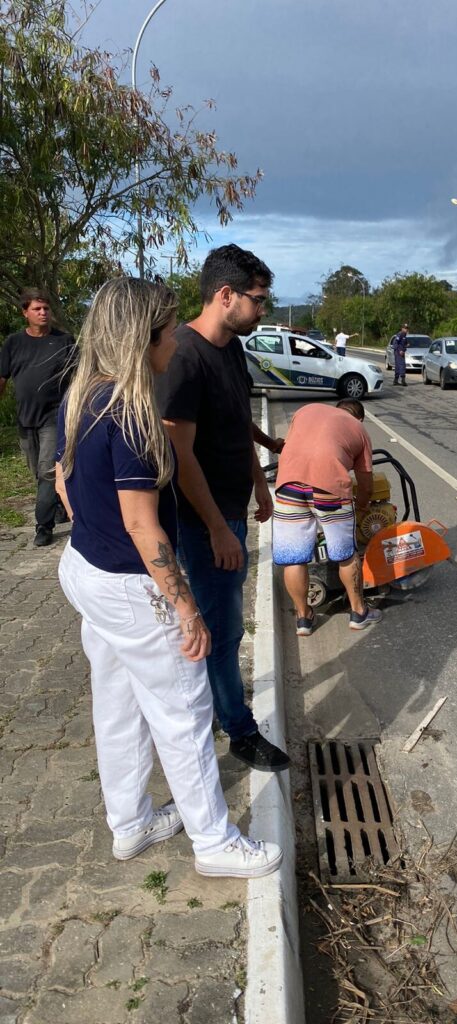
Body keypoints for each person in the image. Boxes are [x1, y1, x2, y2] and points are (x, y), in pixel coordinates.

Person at [55, 277, 282, 878]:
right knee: (183, 709)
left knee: (118, 702)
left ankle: (130, 825)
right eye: (166, 330)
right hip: (130, 585)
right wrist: (183, 606)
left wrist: (97, 530)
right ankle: (214, 842)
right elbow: (143, 526)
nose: (174, 343)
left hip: (85, 570)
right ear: (143, 337)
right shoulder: (129, 415)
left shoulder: (81, 393)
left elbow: (64, 480)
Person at [156, 245, 290, 773]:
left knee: (223, 625)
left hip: (233, 509)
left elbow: (236, 424)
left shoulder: (231, 347)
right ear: (225, 295)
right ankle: (238, 730)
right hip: (202, 522)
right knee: (221, 630)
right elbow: (179, 453)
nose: (263, 311)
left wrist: (260, 485)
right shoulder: (185, 358)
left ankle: (219, 708)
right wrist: (217, 528)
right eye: (257, 300)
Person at [272, 399, 383, 636]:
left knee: (294, 558)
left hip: (288, 486)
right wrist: (362, 506)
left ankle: (303, 618)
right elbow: (365, 485)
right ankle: (358, 612)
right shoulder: (359, 429)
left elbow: (293, 445)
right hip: (329, 489)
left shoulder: (306, 410)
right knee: (346, 555)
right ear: (359, 417)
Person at [0, 289, 76, 546]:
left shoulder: (64, 341)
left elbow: (79, 378)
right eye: (36, 309)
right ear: (25, 313)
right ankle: (58, 506)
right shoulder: (13, 343)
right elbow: (3, 377)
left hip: (54, 416)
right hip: (25, 419)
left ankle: (43, 526)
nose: (43, 313)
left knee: (46, 470)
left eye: (46, 309)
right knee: (38, 470)